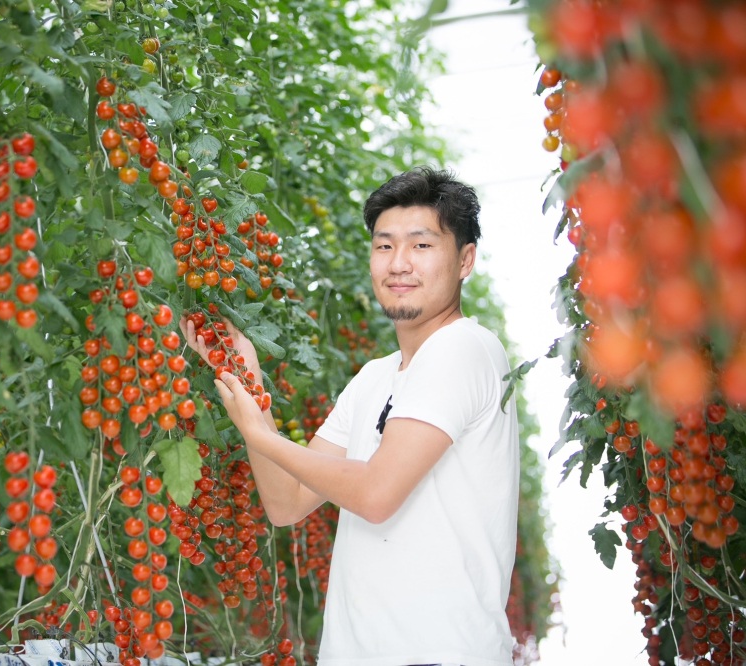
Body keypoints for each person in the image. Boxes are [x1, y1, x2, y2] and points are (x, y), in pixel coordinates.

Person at [181, 166, 519, 666]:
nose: (399, 263)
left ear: (465, 260)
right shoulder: (373, 379)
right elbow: (287, 502)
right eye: (384, 246)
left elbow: (376, 495)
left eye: (422, 246)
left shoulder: (463, 348)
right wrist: (249, 381)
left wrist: (259, 432)